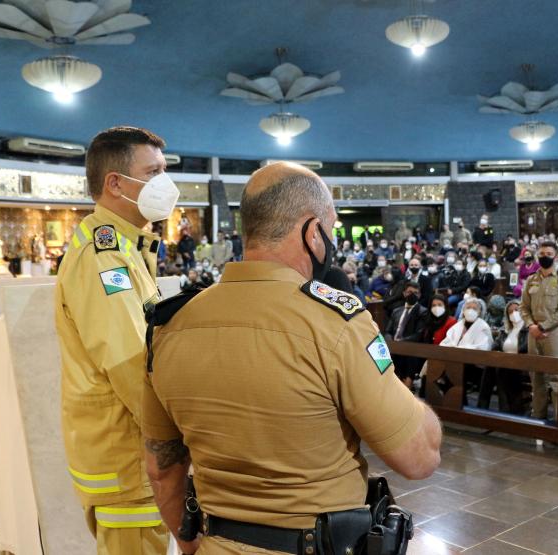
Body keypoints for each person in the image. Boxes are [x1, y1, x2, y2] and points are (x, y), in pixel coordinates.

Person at [143, 162, 441, 555]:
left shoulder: (170, 326)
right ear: (312, 232)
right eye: (329, 230)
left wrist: (190, 544)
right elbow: (419, 457)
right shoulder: (335, 323)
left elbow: (162, 469)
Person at [55, 126, 176, 554]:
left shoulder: (127, 247)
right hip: (127, 463)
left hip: (130, 458)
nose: (166, 182)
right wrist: (186, 436)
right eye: (154, 171)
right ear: (116, 184)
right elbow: (131, 364)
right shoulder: (105, 258)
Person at [519, 241, 558, 420]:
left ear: (555, 256)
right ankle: (538, 420)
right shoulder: (531, 280)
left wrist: (542, 326)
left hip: (554, 333)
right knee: (537, 379)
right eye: (541, 253)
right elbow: (524, 308)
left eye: (549, 253)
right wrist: (531, 325)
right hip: (533, 333)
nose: (545, 257)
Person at [487, 300, 529, 415]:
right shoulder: (504, 330)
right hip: (505, 364)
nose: (513, 314)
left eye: (516, 310)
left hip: (522, 365)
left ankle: (514, 411)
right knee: (496, 370)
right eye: (510, 312)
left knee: (505, 373)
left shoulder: (528, 329)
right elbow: (495, 346)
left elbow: (527, 348)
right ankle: (505, 410)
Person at [384, 281, 428, 388]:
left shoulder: (423, 312)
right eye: (409, 292)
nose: (412, 295)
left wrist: (399, 343)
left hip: (410, 349)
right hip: (393, 347)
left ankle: (406, 385)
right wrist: (391, 343)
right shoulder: (396, 311)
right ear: (404, 293)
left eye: (415, 293)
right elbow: (388, 331)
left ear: (420, 295)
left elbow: (418, 335)